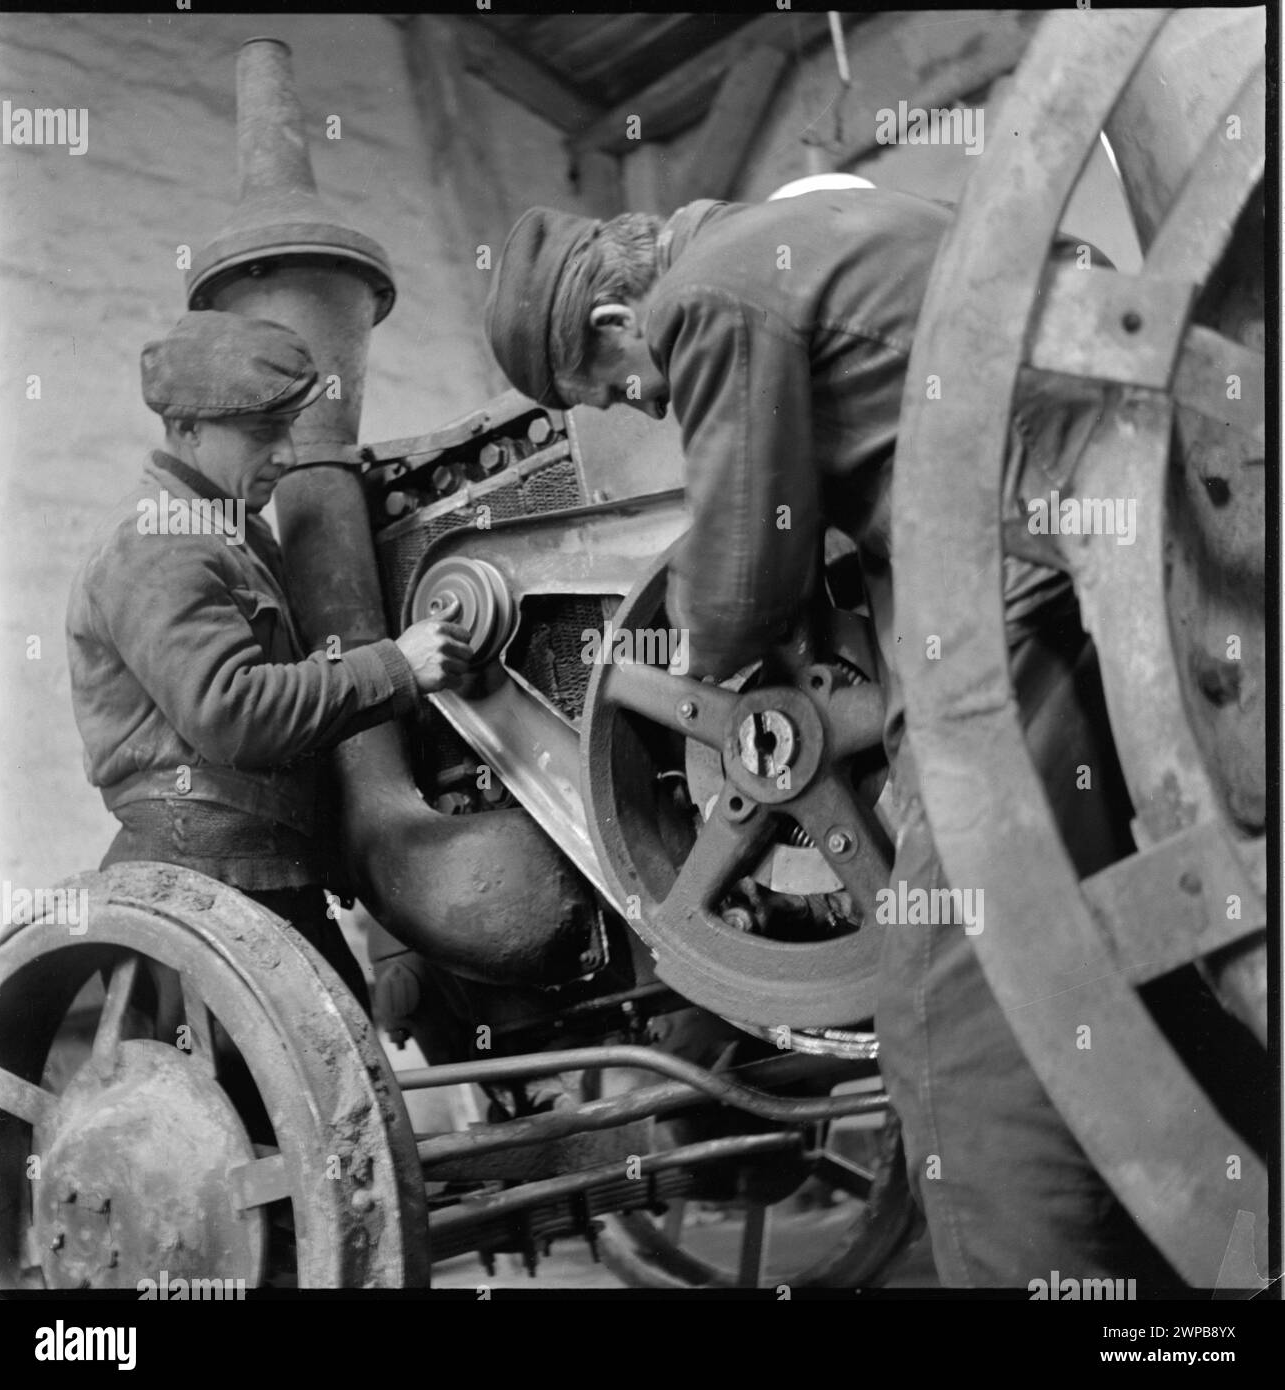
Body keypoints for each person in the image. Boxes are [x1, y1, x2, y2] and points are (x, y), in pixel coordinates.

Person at [481, 190, 1173, 1287]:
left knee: (947, 1006)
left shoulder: (710, 296)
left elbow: (746, 579)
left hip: (1028, 554)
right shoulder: (811, 230)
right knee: (1116, 946)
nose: (639, 402)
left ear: (617, 320)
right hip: (1095, 524)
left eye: (613, 386)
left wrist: (691, 644)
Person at [67, 310, 473, 1012]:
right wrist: (396, 669)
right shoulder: (157, 539)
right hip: (201, 895)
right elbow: (234, 714)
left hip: (266, 885)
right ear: (187, 427)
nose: (285, 453)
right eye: (262, 432)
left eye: (289, 427)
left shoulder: (235, 534)